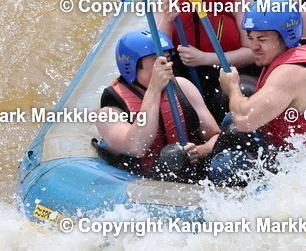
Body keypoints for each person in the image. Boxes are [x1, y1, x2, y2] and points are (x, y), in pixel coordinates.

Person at [218, 0, 306, 151]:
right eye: (251, 38)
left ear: (287, 37)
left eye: (262, 39)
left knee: (231, 147)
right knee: (231, 120)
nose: (253, 47)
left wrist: (232, 87)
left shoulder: (291, 73)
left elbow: (244, 120)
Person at [153, 0, 257, 119]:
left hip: (231, 71)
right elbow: (157, 53)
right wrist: (166, 21)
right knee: (173, 102)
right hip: (183, 72)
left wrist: (204, 58)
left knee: (232, 96)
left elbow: (253, 51)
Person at [95, 30, 221, 183]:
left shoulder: (183, 87)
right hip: (143, 186)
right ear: (131, 67)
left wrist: (200, 151)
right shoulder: (109, 113)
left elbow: (216, 137)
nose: (166, 67)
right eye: (157, 63)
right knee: (172, 156)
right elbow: (137, 147)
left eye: (168, 59)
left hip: (191, 178)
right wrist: (154, 89)